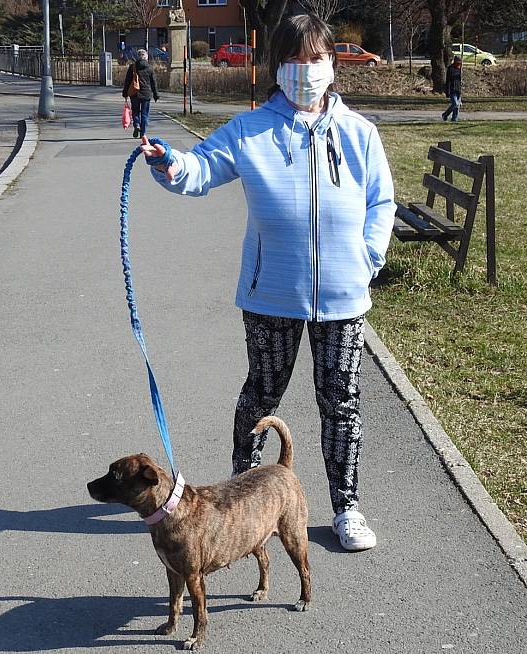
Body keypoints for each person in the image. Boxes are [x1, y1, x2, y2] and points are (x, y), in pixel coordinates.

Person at [140, 13, 395, 552]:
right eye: (296, 60)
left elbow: (381, 202)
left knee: (341, 401)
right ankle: (238, 499)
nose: (308, 70)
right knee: (261, 395)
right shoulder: (251, 129)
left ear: (332, 64)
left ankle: (346, 506)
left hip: (343, 297)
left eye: (317, 58)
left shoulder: (360, 134)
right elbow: (201, 167)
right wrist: (171, 165)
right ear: (276, 66)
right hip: (271, 294)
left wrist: (368, 257)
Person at [122, 49, 159, 139]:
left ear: (137, 57)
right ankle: (143, 133)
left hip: (134, 93)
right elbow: (153, 82)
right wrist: (155, 94)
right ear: (146, 57)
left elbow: (127, 81)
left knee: (135, 111)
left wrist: (125, 92)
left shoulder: (132, 67)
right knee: (145, 114)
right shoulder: (149, 68)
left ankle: (137, 124)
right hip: (146, 93)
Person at [442, 55, 462, 122]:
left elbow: (459, 81)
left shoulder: (459, 69)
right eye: (458, 62)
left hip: (458, 90)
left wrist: (460, 90)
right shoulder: (450, 69)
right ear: (455, 62)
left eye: (460, 63)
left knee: (457, 106)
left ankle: (454, 119)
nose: (459, 64)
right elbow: (448, 81)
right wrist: (447, 92)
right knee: (455, 104)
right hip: (452, 90)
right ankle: (445, 114)